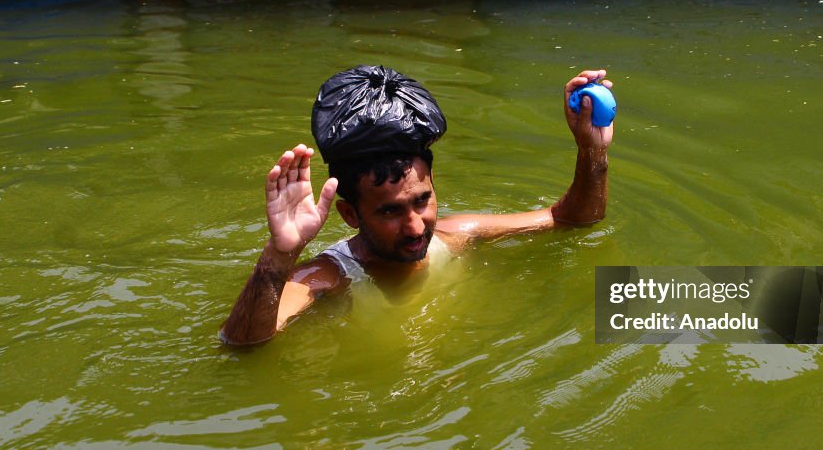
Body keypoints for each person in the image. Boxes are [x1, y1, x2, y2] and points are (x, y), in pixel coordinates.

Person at [220, 69, 614, 345]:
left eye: (422, 201)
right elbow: (244, 344)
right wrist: (281, 254)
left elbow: (572, 220)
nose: (414, 227)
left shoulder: (457, 236)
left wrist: (591, 149)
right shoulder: (329, 277)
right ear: (350, 215)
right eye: (390, 211)